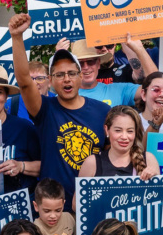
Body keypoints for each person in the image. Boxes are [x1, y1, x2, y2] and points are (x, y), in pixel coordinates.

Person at [11, 13, 110, 196]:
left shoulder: (103, 111)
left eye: (72, 73)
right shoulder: (45, 109)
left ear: (80, 77)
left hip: (93, 201)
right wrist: (17, 37)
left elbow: (112, 157)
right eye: (59, 74)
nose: (66, 79)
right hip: (54, 208)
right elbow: (24, 81)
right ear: (50, 80)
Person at [78, 105, 162, 179]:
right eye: (118, 130)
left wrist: (155, 180)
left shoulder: (148, 159)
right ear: (107, 130)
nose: (124, 137)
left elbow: (161, 196)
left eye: (130, 131)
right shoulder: (92, 163)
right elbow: (78, 197)